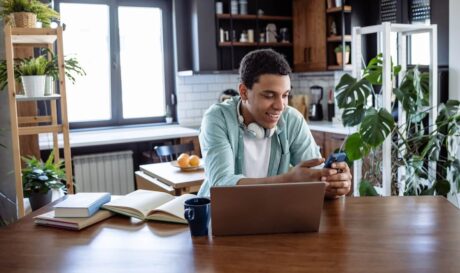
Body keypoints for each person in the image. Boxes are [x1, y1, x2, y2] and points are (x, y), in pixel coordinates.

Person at [198, 49, 351, 198]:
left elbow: (316, 177)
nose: (280, 106)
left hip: (273, 213)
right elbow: (221, 186)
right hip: (222, 216)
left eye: (285, 95)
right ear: (244, 92)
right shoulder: (217, 119)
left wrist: (333, 183)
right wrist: (288, 180)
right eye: (269, 95)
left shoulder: (292, 119)